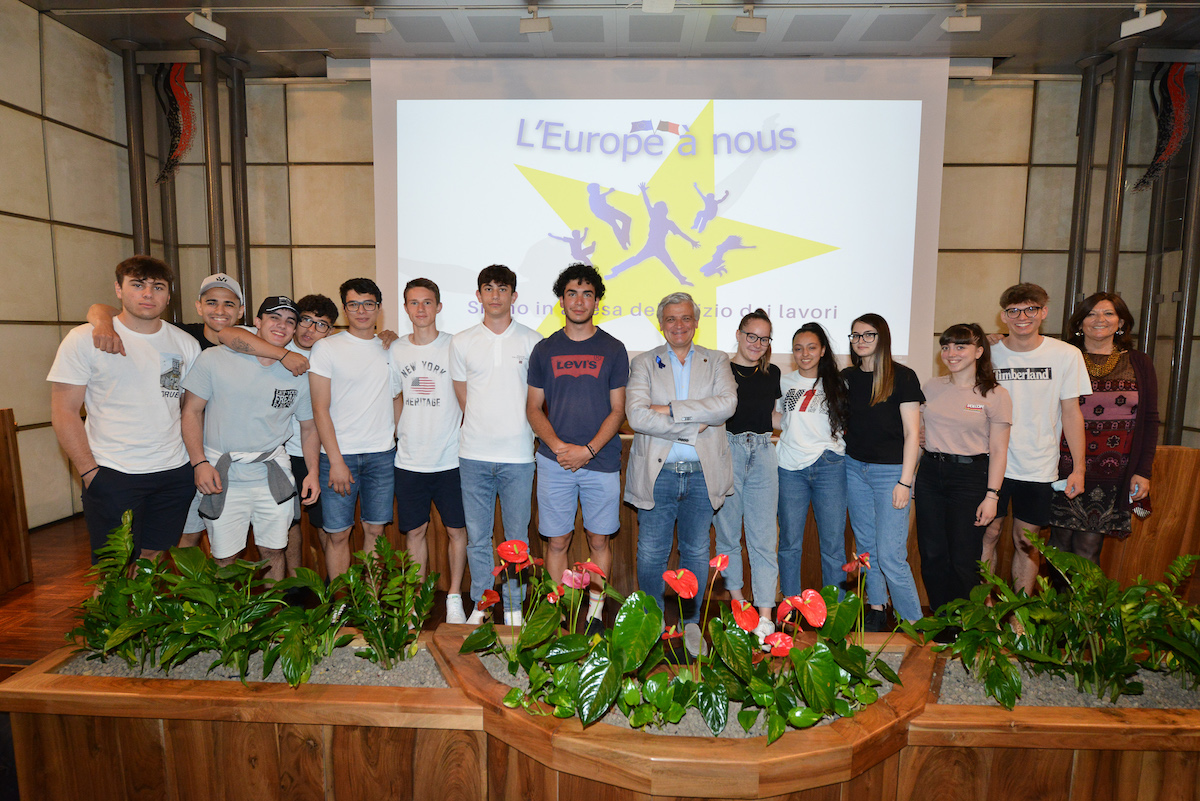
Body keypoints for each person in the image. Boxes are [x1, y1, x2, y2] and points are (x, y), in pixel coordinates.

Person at [84, 273, 266, 551]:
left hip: (238, 454)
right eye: (211, 302)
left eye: (229, 304)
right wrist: (102, 322)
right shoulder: (181, 337)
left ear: (241, 311)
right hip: (187, 455)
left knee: (242, 537)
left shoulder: (254, 341)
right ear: (198, 306)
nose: (219, 310)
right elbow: (104, 309)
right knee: (185, 533)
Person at [48, 256, 200, 564]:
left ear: (168, 295)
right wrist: (90, 472)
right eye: (138, 285)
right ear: (119, 289)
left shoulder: (185, 344)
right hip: (113, 471)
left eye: (158, 287)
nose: (148, 294)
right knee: (114, 568)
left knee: (152, 558)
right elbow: (64, 411)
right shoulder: (84, 339)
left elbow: (189, 409)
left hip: (173, 472)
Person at [625, 292, 737, 657]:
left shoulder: (716, 360)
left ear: (696, 322)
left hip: (704, 473)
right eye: (671, 319)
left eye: (686, 318)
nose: (679, 325)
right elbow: (637, 415)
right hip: (659, 474)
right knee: (650, 552)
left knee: (696, 549)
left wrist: (669, 409)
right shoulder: (644, 362)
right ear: (661, 324)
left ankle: (691, 623)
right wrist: (692, 425)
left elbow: (726, 405)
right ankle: (652, 620)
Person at [181, 296, 320, 580]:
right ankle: (226, 611)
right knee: (224, 557)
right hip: (223, 474)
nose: (281, 326)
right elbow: (191, 412)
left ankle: (273, 609)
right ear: (256, 322)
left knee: (274, 551)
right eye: (274, 318)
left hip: (272, 473)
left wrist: (313, 473)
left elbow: (309, 428)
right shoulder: (215, 359)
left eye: (289, 321)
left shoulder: (298, 373)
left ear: (295, 330)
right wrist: (199, 463)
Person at [527, 264, 629, 635]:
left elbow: (618, 410)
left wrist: (587, 450)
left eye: (587, 294)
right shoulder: (544, 349)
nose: (579, 301)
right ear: (562, 300)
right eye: (572, 293)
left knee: (599, 539)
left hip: (600, 461)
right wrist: (559, 448)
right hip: (554, 462)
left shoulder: (614, 349)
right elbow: (533, 408)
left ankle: (596, 615)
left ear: (596, 301)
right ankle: (558, 614)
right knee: (557, 541)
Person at [983, 283, 1090, 595]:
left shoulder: (1066, 354)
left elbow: (1072, 413)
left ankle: (1019, 615)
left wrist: (1079, 469)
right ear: (1003, 316)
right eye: (1014, 311)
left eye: (1031, 309)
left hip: (1038, 465)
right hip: (990, 462)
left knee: (1026, 543)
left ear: (1043, 312)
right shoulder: (986, 353)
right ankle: (984, 610)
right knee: (988, 535)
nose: (1022, 317)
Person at [451, 265, 543, 626]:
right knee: (478, 538)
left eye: (502, 289)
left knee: (516, 540)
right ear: (478, 296)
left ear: (514, 296)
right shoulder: (462, 341)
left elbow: (538, 399)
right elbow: (464, 396)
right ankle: (482, 604)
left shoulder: (533, 341)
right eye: (488, 288)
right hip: (473, 455)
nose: (495, 295)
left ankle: (514, 608)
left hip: (518, 456)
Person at [1047, 293, 1158, 564]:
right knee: (1058, 543)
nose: (1100, 320)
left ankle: (1084, 596)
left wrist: (1143, 471)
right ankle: (1054, 595)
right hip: (1063, 464)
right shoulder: (1062, 357)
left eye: (1108, 313)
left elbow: (1150, 419)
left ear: (1121, 322)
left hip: (1113, 469)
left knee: (1089, 547)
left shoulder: (1139, 362)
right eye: (1091, 313)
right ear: (1079, 323)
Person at [389, 278, 470, 624]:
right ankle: (415, 603)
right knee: (415, 533)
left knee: (457, 532)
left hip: (451, 459)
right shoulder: (396, 350)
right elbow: (395, 395)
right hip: (410, 461)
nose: (420, 309)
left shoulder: (455, 345)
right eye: (413, 302)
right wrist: (400, 432)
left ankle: (454, 597)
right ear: (405, 308)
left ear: (438, 307)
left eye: (427, 302)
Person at [916, 323, 1011, 613]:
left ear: (979, 351)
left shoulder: (995, 394)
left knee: (964, 559)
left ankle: (966, 623)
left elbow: (999, 450)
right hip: (930, 474)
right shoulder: (931, 387)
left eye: (960, 346)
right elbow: (920, 432)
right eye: (946, 347)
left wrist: (992, 496)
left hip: (970, 478)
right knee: (932, 555)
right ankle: (942, 620)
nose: (951, 353)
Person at [308, 278, 395, 578]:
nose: (361, 311)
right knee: (338, 534)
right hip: (338, 456)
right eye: (354, 304)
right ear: (345, 309)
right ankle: (343, 601)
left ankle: (372, 599)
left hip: (382, 455)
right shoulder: (326, 348)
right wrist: (335, 461)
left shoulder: (390, 348)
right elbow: (319, 408)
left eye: (368, 304)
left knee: (375, 532)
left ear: (379, 308)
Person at [842, 313, 924, 630]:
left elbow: (913, 434)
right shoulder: (847, 378)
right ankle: (876, 607)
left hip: (891, 474)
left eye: (868, 335)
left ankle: (913, 622)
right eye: (855, 335)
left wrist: (905, 481)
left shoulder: (903, 377)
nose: (860, 341)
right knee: (866, 548)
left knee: (891, 554)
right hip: (854, 469)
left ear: (883, 338)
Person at [712, 309, 780, 646]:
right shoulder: (720, 370)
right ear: (738, 335)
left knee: (764, 538)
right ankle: (740, 607)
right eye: (751, 336)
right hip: (728, 451)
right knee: (728, 536)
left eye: (764, 338)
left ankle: (765, 617)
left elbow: (773, 417)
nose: (757, 343)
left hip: (764, 452)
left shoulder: (773, 373)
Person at [775, 323, 849, 599]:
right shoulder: (783, 382)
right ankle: (790, 608)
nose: (804, 354)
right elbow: (778, 419)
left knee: (833, 546)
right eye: (798, 348)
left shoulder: (840, 383)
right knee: (789, 543)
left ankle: (835, 610)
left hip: (829, 466)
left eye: (811, 347)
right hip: (789, 468)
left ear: (823, 350)